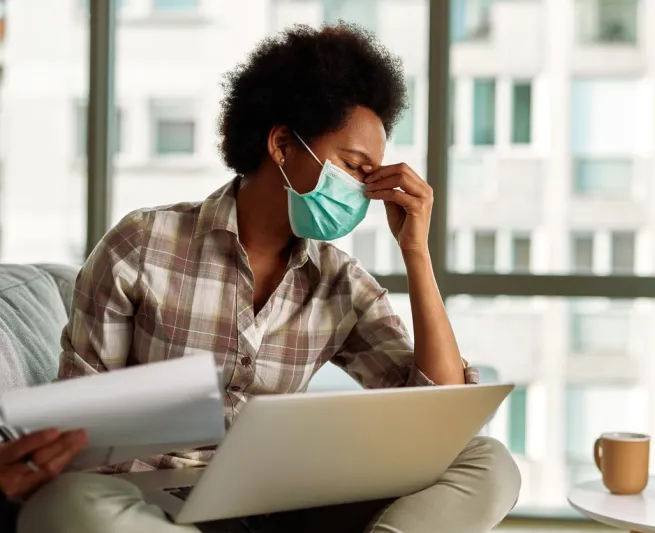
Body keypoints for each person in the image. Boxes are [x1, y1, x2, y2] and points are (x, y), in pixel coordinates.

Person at [0, 23, 520, 533]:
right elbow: (78, 432)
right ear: (281, 145)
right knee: (66, 506)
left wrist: (417, 255)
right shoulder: (142, 243)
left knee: (489, 463)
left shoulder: (341, 283)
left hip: (277, 500)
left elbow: (436, 415)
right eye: (354, 168)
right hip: (146, 501)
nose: (366, 191)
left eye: (373, 176)